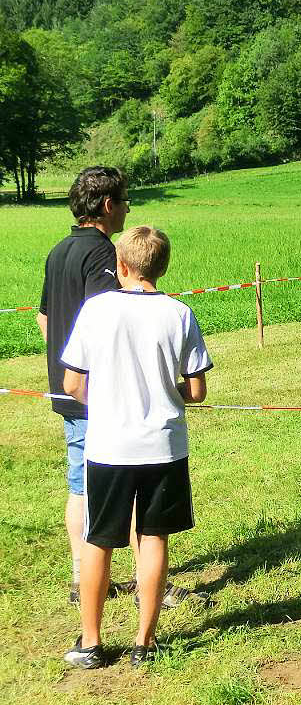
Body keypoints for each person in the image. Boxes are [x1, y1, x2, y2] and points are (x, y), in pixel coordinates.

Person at [38, 167, 193, 609]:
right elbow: (122, 320)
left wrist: (66, 368)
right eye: (125, 201)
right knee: (123, 486)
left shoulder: (58, 251)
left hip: (67, 386)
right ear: (108, 206)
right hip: (101, 394)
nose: (127, 208)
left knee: (80, 483)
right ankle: (147, 587)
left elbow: (46, 319)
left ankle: (84, 577)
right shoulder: (105, 255)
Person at [60, 225, 212, 668]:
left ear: (120, 267)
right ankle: (144, 642)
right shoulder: (180, 313)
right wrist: (164, 394)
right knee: (153, 537)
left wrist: (108, 402)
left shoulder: (96, 309)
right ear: (161, 267)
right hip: (163, 447)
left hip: (109, 447)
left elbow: (73, 383)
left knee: (98, 539)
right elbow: (197, 390)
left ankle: (90, 642)